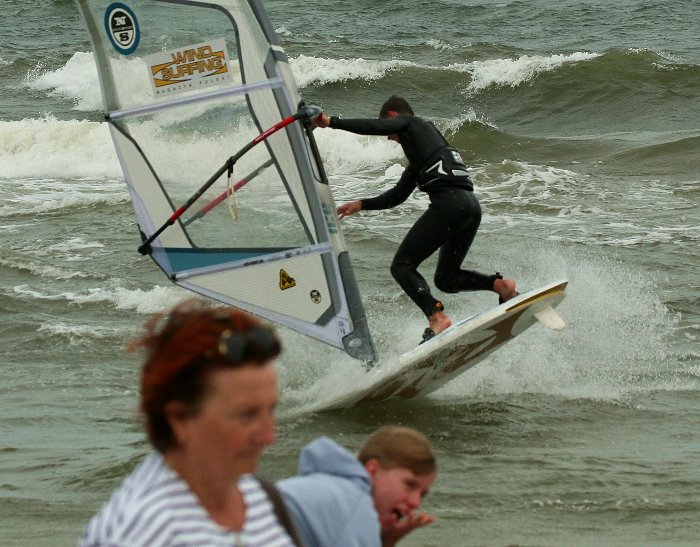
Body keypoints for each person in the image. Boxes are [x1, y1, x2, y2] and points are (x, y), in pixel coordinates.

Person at [81, 299, 302, 547]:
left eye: (271, 409)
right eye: (246, 415)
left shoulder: (257, 496)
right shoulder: (144, 532)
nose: (268, 436)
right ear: (179, 419)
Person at [315, 96, 518, 343]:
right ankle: (500, 286)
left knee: (402, 266)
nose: (391, 138)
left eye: (391, 132)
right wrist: (362, 205)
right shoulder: (427, 150)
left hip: (449, 205)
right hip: (470, 207)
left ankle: (436, 317)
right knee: (446, 278)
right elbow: (399, 195)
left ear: (392, 116)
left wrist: (330, 122)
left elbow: (377, 128)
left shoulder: (412, 123)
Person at [277, 425, 437, 547]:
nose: (415, 502)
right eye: (409, 485)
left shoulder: (335, 491)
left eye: (422, 494)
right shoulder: (356, 506)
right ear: (373, 470)